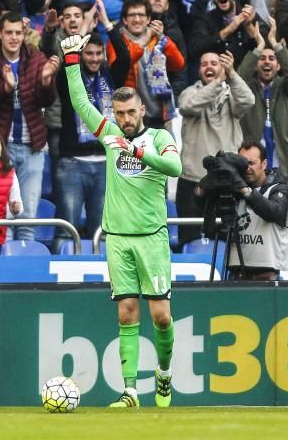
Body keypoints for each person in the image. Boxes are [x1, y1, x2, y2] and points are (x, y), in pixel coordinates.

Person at [61, 32, 181, 409]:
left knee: (161, 317)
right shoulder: (110, 134)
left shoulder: (159, 138)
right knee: (126, 312)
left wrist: (136, 151)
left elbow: (175, 168)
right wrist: (71, 61)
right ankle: (130, 390)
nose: (126, 120)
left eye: (131, 113)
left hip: (152, 238)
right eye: (120, 114)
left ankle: (163, 374)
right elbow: (80, 102)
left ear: (142, 110)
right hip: (118, 238)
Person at [0, 11, 59, 241]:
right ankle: (4, 272)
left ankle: (24, 272)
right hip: (0, 148)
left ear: (25, 34)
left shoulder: (37, 58)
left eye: (18, 33)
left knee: (28, 215)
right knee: (3, 217)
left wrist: (46, 81)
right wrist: (6, 88)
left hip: (33, 145)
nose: (13, 37)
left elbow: (47, 101)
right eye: (8, 32)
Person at [177, 50, 254, 246]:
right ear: (198, 70)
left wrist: (232, 75)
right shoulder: (189, 93)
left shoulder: (231, 94)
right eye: (204, 64)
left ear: (222, 68)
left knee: (227, 240)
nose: (209, 67)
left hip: (226, 180)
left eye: (215, 63)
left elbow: (248, 101)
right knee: (190, 237)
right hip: (192, 179)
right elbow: (189, 107)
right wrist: (217, 82)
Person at [54, 31, 115, 243]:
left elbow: (125, 57)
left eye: (99, 53)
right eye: (89, 53)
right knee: (66, 230)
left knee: (103, 233)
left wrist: (109, 26)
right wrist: (72, 50)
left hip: (105, 163)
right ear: (80, 56)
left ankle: (104, 276)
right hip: (73, 163)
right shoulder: (69, 78)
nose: (95, 58)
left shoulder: (109, 76)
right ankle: (62, 276)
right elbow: (63, 70)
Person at [239, 18, 288, 184]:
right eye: (262, 58)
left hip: (284, 156)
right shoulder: (248, 88)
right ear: (256, 65)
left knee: (283, 205)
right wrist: (259, 46)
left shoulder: (286, 87)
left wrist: (274, 43)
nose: (267, 61)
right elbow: (238, 79)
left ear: (278, 66)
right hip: (255, 159)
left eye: (272, 58)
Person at [107, 0, 186, 129]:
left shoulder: (157, 40)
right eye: (132, 15)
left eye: (141, 15)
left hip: (159, 115)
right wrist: (144, 41)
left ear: (148, 18)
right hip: (130, 117)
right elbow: (122, 66)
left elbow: (178, 64)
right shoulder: (116, 42)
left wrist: (163, 38)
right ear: (125, 20)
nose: (137, 19)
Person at [225, 142, 288, 281]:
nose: (247, 168)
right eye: (243, 164)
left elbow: (273, 212)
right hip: (236, 273)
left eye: (251, 163)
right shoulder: (232, 190)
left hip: (266, 274)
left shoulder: (279, 188)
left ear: (264, 164)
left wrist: (245, 191)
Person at [189, 0, 254, 68]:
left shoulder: (249, 14)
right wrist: (229, 29)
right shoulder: (204, 20)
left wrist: (249, 26)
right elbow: (196, 48)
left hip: (246, 77)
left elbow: (264, 50)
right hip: (217, 77)